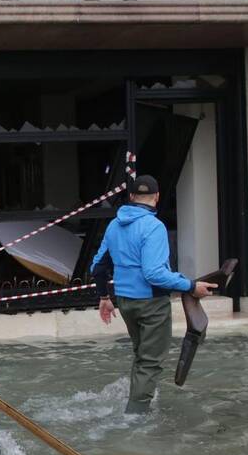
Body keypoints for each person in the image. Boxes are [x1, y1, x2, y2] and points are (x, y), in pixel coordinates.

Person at [91, 174, 217, 413]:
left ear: (131, 197)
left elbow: (98, 267)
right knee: (150, 362)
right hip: (151, 304)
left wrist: (104, 297)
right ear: (157, 197)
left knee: (141, 356)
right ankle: (135, 417)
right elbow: (154, 274)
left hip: (126, 302)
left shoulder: (114, 225)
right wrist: (191, 286)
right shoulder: (153, 227)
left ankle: (137, 401)